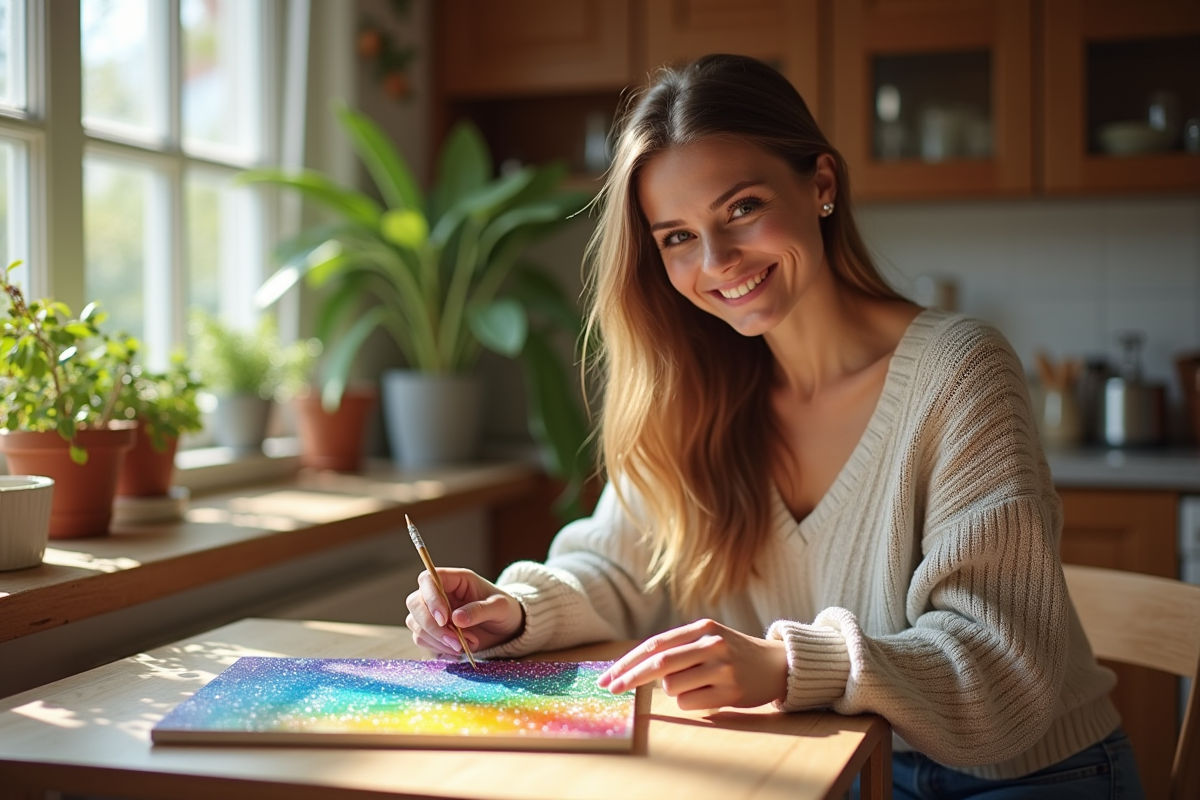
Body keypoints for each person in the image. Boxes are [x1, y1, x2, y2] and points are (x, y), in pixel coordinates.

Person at [405, 54, 1145, 799]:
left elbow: (1001, 670)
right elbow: (619, 572)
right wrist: (517, 610)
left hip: (1022, 777)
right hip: (833, 765)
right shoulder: (691, 389)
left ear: (820, 185)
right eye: (677, 237)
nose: (718, 260)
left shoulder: (959, 371)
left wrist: (786, 666)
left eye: (742, 208)